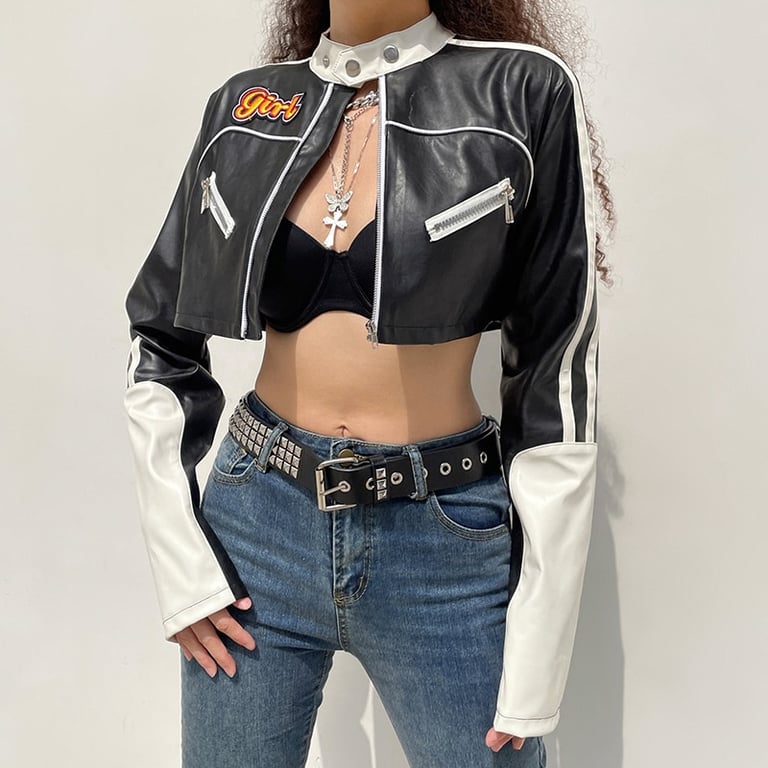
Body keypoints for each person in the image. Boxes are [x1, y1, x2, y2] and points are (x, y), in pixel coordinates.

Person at [122, 0, 613, 765]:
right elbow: (159, 335)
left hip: (441, 540)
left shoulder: (523, 89)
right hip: (255, 526)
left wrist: (539, 657)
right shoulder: (245, 106)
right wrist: (180, 563)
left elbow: (558, 367)